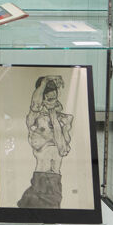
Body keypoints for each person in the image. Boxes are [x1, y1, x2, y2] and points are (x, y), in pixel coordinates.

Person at [17, 75, 73, 208]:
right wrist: (45, 82)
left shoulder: (64, 120)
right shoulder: (36, 119)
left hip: (55, 180)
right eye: (48, 99)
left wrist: (55, 122)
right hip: (41, 179)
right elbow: (35, 104)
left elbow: (64, 149)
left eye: (54, 98)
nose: (52, 102)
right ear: (42, 99)